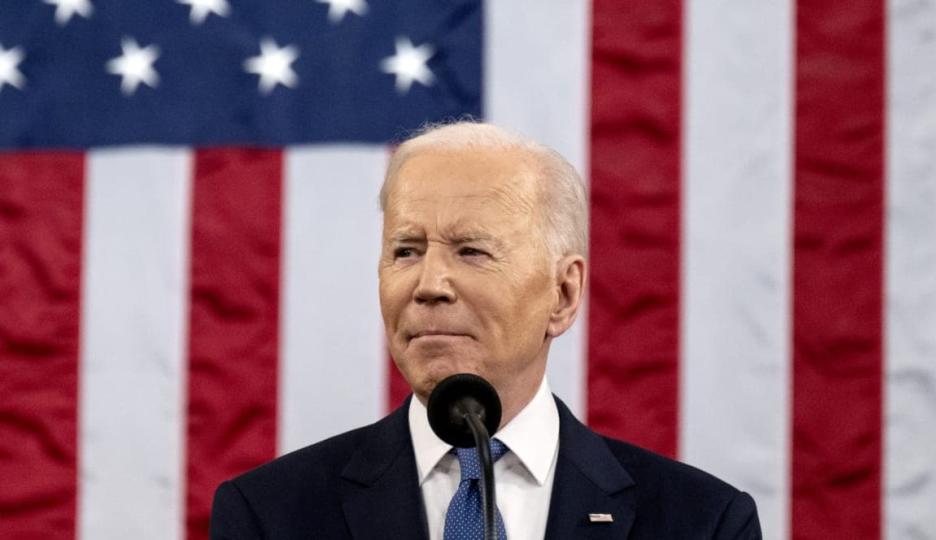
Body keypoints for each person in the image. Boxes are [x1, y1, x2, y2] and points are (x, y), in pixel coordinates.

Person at [210, 122, 762, 539]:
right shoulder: (269, 515)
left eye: (471, 251)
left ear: (563, 294)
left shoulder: (703, 522)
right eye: (406, 250)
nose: (429, 285)